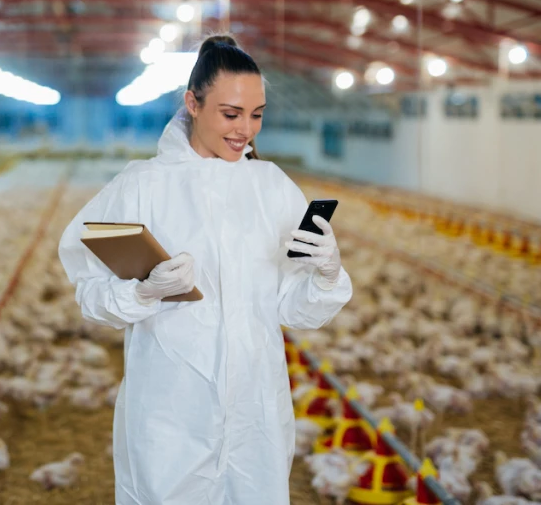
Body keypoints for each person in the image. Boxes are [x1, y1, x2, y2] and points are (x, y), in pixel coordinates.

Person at [57, 35, 353, 505]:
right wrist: (144, 292)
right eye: (231, 114)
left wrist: (326, 275)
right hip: (171, 408)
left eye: (257, 115)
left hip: (255, 407)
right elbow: (90, 293)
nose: (245, 131)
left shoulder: (272, 188)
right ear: (192, 103)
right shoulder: (142, 186)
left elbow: (294, 310)